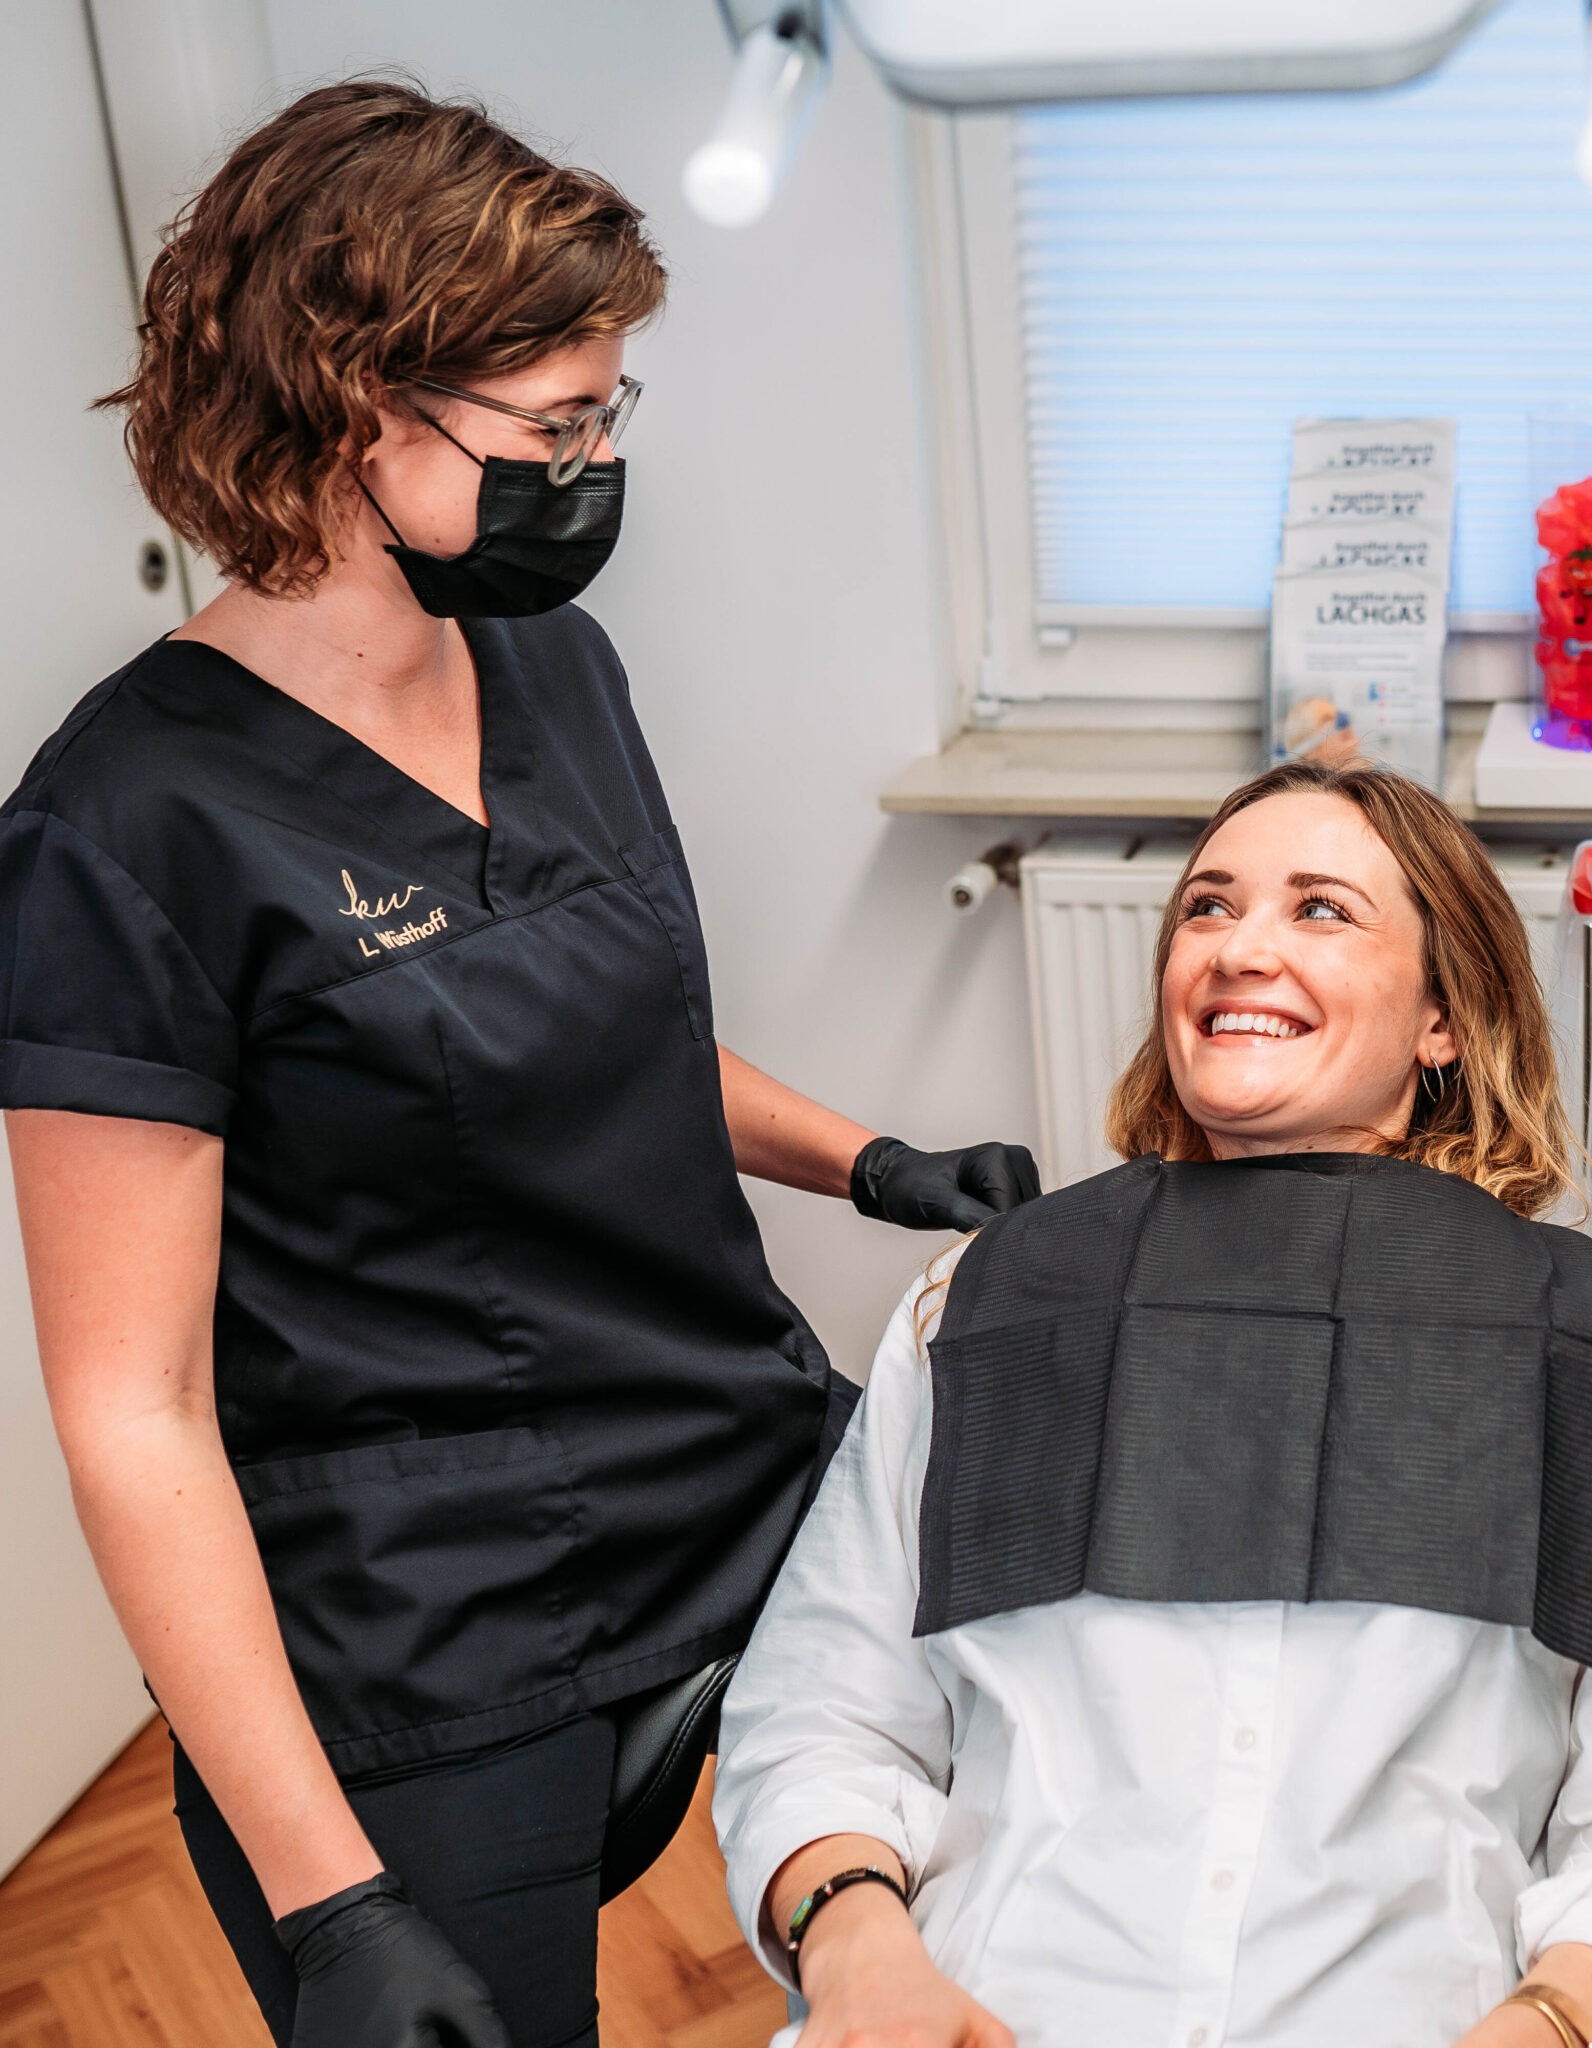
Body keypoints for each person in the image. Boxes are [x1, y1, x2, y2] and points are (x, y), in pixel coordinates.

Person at [2, 81, 1037, 2048]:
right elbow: (131, 1410)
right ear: (352, 408)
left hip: (731, 1450)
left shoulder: (550, 664)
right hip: (433, 1595)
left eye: (606, 414)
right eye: (554, 428)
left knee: (1046, 1849)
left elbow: (592, 1030)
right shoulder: (123, 831)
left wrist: (869, 1158)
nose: (595, 466)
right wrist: (331, 1906)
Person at [714, 761, 1592, 2048]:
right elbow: (821, 1712)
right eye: (1206, 908)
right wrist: (859, 1953)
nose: (1237, 948)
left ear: (1443, 1018)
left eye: (1320, 908)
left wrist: (1550, 2022)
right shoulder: (987, 1310)